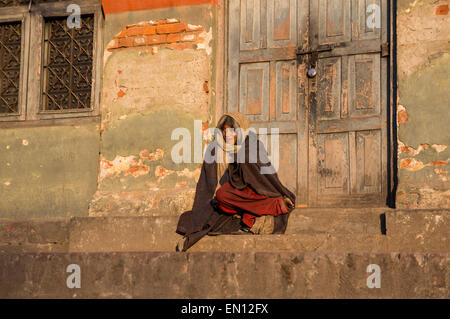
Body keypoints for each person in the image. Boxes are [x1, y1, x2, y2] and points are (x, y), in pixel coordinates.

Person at [175, 112, 295, 251]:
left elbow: (265, 178)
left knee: (226, 196)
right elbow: (206, 183)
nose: (228, 135)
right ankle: (251, 215)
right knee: (219, 198)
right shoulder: (214, 149)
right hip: (231, 197)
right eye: (225, 130)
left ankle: (276, 204)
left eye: (232, 130)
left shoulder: (252, 145)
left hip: (252, 193)